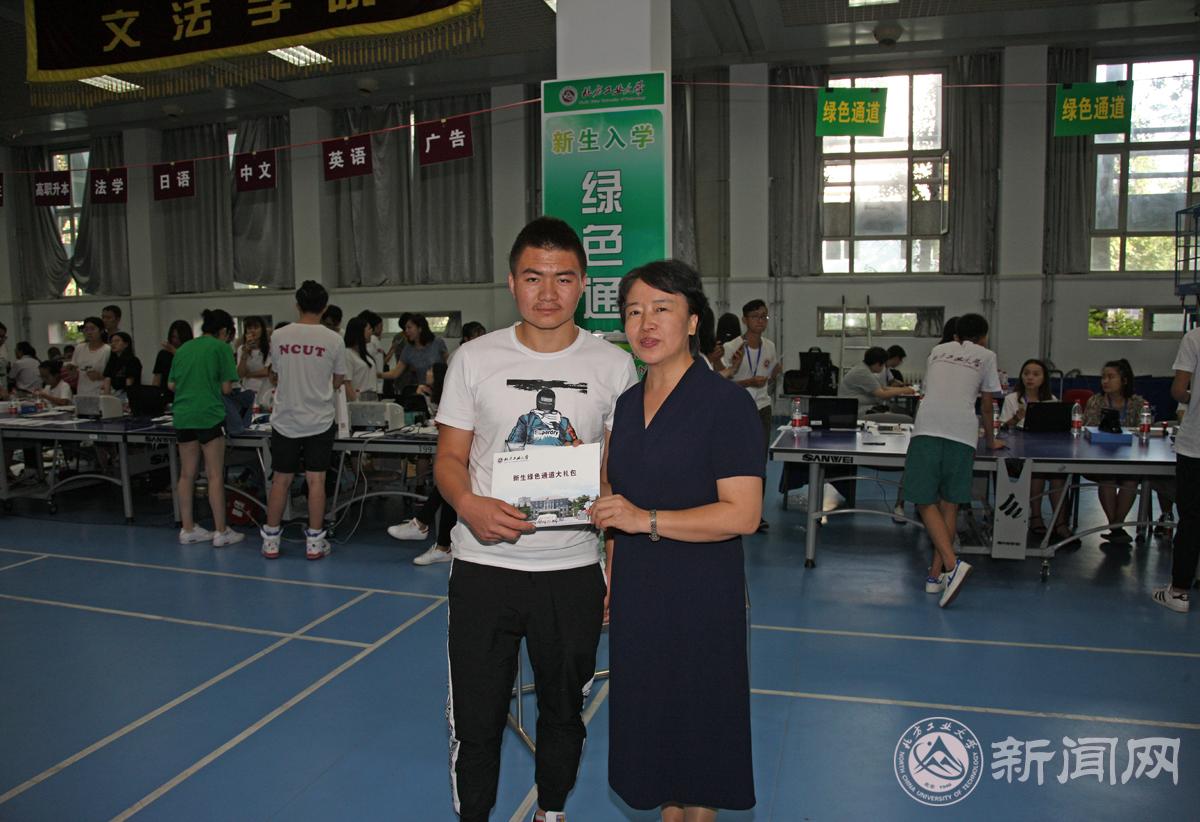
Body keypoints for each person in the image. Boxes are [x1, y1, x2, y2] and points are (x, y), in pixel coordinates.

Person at [435, 217, 637, 822]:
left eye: (563, 278)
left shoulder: (614, 366)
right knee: (477, 717)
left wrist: (614, 566)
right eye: (533, 277)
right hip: (484, 568)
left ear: (584, 284)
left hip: (571, 572)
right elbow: (448, 459)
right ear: (511, 282)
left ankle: (552, 811)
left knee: (563, 710)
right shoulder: (473, 359)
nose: (548, 293)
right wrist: (468, 504)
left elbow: (614, 479)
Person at [592, 259, 761, 820]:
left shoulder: (726, 404)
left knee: (700, 728)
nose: (646, 323)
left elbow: (742, 514)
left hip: (701, 593)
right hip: (639, 589)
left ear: (692, 321)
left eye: (662, 309)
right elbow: (617, 501)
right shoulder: (625, 405)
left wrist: (646, 520)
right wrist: (613, 574)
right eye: (634, 311)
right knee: (653, 725)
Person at [902, 313, 1004, 607]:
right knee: (950, 503)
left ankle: (949, 565)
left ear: (956, 335)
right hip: (962, 433)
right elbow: (987, 406)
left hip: (928, 428)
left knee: (924, 500)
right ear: (983, 335)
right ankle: (937, 575)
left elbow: (932, 389)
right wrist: (990, 440)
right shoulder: (987, 355)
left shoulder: (937, 351)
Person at [260, 281, 347, 561]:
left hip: (285, 418)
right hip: (319, 419)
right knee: (316, 480)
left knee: (281, 480)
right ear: (324, 307)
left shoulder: (279, 335)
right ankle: (314, 543)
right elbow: (338, 380)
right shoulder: (334, 339)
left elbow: (274, 374)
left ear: (297, 305)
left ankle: (271, 541)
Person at [168, 309, 243, 547]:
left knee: (186, 474)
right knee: (214, 474)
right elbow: (227, 389)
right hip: (209, 415)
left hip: (183, 415)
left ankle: (188, 529)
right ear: (224, 331)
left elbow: (171, 385)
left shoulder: (183, 349)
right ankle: (221, 531)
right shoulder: (221, 348)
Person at [388, 363, 459, 565]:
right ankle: (439, 543)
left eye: (429, 370)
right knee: (448, 487)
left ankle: (424, 527)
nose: (426, 373)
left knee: (449, 485)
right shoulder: (432, 392)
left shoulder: (454, 394)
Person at [723, 299, 781, 531]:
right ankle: (731, 508)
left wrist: (775, 374)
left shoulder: (770, 346)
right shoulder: (731, 348)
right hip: (737, 409)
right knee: (735, 458)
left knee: (759, 460)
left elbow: (771, 373)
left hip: (762, 407)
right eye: (756, 316)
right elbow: (722, 382)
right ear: (744, 320)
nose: (761, 321)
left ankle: (757, 514)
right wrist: (748, 382)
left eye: (764, 316)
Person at [1001, 358, 1073, 544]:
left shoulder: (1052, 400)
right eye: (1026, 374)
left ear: (1043, 378)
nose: (1030, 378)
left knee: (1058, 475)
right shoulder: (1011, 399)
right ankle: (1036, 518)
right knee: (1036, 473)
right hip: (1018, 452)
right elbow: (1002, 429)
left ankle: (1060, 523)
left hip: (1047, 450)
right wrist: (1016, 418)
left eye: (1035, 374)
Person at [1154, 327, 1200, 613]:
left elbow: (1178, 390)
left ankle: (1179, 592)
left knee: (1192, 519)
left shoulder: (1194, 337)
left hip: (1196, 445)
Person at [1083, 358, 1147, 543]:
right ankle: (1116, 527)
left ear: (1124, 380)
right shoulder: (1095, 401)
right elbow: (1088, 431)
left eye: (1111, 377)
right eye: (1103, 377)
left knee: (1131, 479)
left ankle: (1116, 525)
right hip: (1098, 459)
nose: (1105, 381)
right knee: (1107, 477)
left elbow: (1143, 432)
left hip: (1129, 460)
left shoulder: (1137, 403)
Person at [838, 346, 918, 415]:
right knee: (903, 418)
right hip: (857, 410)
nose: (883, 368)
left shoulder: (864, 369)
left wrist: (905, 389)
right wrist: (905, 390)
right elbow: (883, 394)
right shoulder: (863, 373)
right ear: (877, 363)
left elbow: (882, 388)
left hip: (862, 407)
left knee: (900, 412)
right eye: (883, 365)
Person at [395, 314, 448, 388]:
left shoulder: (438, 342)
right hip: (421, 386)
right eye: (405, 328)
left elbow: (449, 362)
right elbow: (397, 371)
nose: (406, 331)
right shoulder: (407, 347)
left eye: (409, 327)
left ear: (419, 328)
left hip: (441, 386)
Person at [67, 317, 111, 397]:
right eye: (86, 329)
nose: (89, 332)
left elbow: (112, 374)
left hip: (100, 392)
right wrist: (71, 370)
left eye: (92, 329)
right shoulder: (79, 348)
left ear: (101, 330)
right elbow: (75, 370)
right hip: (82, 392)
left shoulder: (107, 350)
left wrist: (100, 376)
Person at [153, 320, 194, 402]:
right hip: (165, 397)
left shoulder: (192, 353)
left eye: (178, 337)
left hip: (186, 397)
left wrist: (175, 352)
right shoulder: (163, 354)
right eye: (173, 337)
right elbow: (157, 380)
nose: (175, 340)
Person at [236, 316, 271, 403]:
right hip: (247, 390)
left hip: (265, 390)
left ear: (262, 330)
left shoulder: (270, 347)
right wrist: (245, 352)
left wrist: (249, 374)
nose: (252, 331)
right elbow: (240, 374)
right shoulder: (241, 349)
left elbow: (267, 371)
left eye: (256, 327)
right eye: (249, 328)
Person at [342, 315, 377, 401]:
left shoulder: (364, 354)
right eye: (369, 329)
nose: (371, 332)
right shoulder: (347, 353)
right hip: (358, 399)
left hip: (372, 398)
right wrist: (356, 403)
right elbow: (346, 383)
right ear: (359, 332)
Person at [101, 332, 142, 396]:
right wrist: (107, 397)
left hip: (128, 393)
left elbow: (130, 381)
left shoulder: (132, 360)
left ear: (126, 344)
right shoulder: (112, 361)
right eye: (111, 342)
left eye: (117, 341)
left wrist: (128, 397)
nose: (113, 344)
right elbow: (107, 379)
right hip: (114, 393)